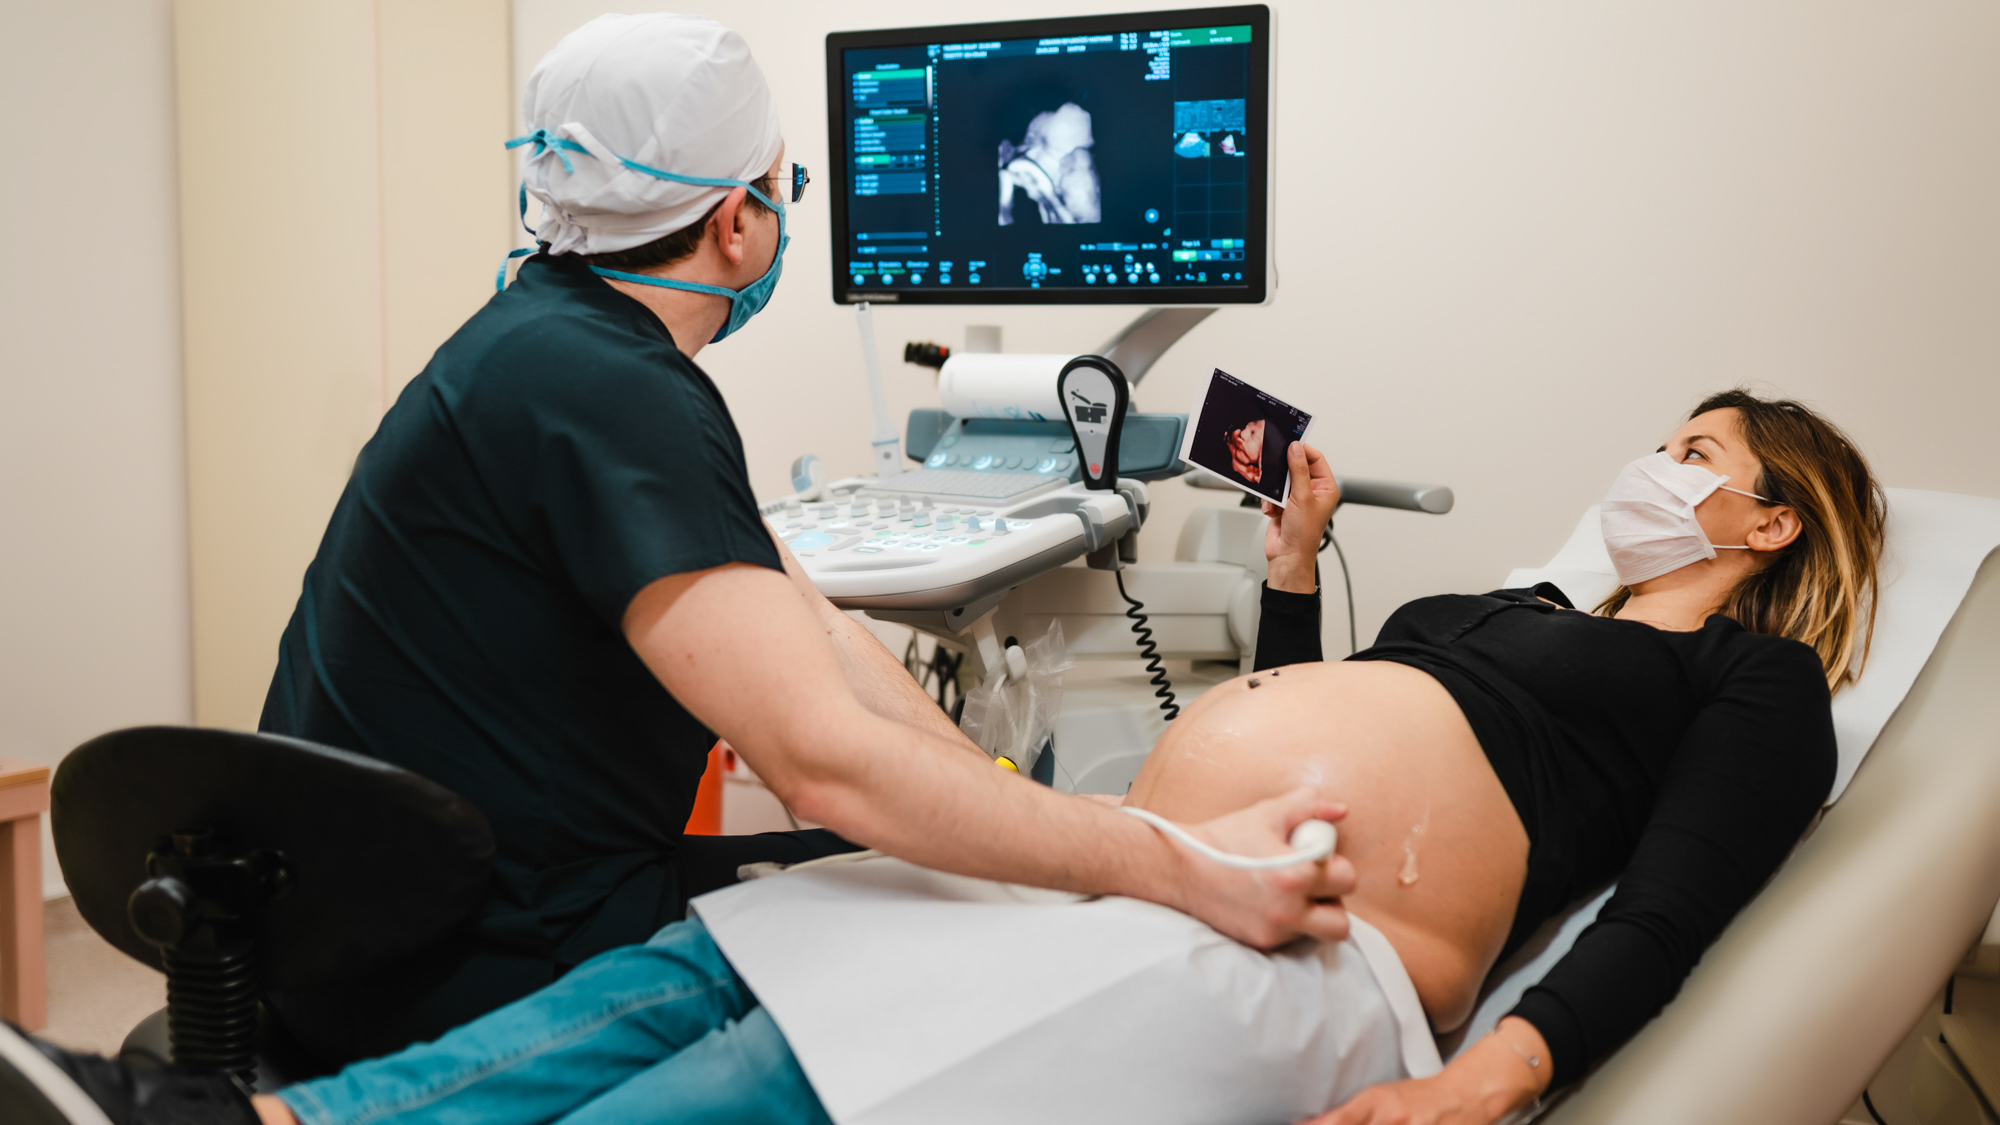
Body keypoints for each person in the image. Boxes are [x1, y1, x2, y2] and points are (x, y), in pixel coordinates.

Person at [4, 390, 1884, 1125]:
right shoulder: (1505, 608)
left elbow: (1673, 907)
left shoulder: (1751, 688)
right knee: (730, 951)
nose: (1656, 464)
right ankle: (248, 1122)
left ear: (1774, 519)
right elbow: (1334, 712)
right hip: (1162, 865)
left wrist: (1496, 1083)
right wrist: (1293, 575)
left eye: (1696, 454)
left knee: (799, 1067)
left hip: (1319, 949)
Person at [246, 13, 1349, 1067]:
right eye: (786, 187)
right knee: (972, 922)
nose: (783, 210)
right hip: (473, 971)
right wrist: (1166, 863)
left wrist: (1020, 804)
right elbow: (825, 771)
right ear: (737, 223)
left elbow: (809, 623)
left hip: (372, 930)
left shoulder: (546, 342)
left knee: (968, 868)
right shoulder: (619, 394)